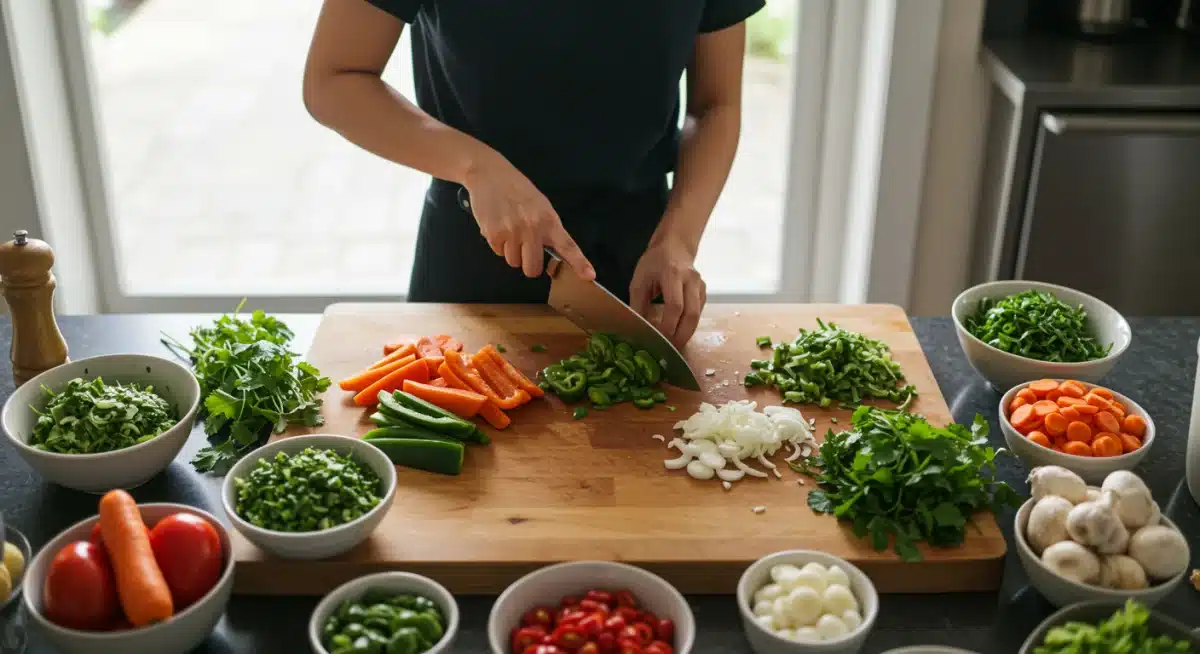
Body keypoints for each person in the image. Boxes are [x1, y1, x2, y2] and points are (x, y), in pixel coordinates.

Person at [303, 0, 762, 346]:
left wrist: (679, 240)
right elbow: (335, 78)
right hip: (475, 249)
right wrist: (475, 166)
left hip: (642, 257)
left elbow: (715, 105)